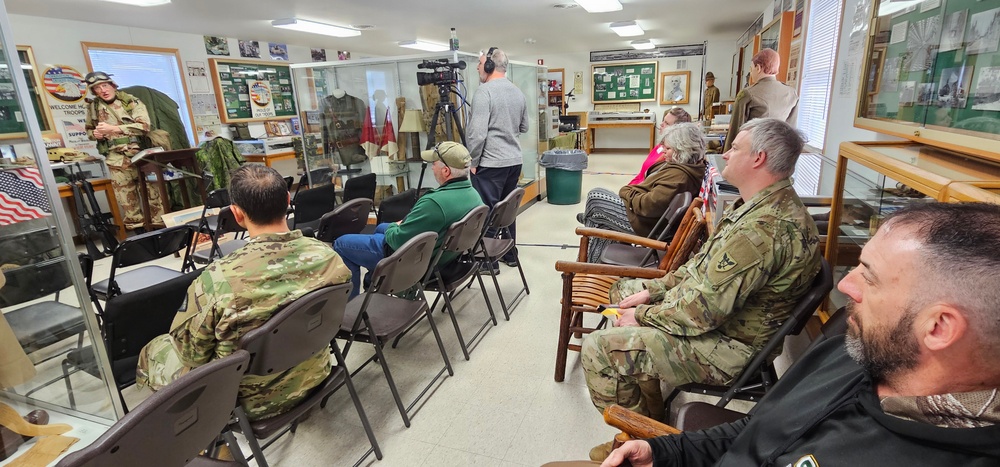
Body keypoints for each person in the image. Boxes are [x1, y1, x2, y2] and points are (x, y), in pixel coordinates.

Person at [602, 202, 1000, 467]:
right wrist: (665, 452)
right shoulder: (853, 349)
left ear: (938, 327)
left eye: (870, 278)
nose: (847, 286)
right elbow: (756, 430)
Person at [582, 118, 820, 461]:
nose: (725, 154)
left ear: (758, 158)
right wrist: (652, 293)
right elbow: (698, 270)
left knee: (597, 349)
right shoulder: (758, 207)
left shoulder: (765, 229)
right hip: (719, 324)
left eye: (735, 147)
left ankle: (637, 436)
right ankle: (650, 416)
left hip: (728, 346)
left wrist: (645, 315)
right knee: (623, 291)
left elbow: (701, 312)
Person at [136, 165, 350, 421]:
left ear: (237, 214)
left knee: (154, 350)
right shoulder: (329, 257)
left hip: (249, 403)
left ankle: (192, 436)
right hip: (316, 375)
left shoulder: (218, 280)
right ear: (288, 200)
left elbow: (192, 354)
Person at [333, 141, 484, 298]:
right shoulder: (473, 195)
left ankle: (354, 303)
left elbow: (397, 240)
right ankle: (374, 282)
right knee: (379, 228)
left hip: (411, 261)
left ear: (446, 171)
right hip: (441, 257)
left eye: (434, 164)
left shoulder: (434, 202)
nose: (432, 168)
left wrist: (394, 226)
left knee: (341, 243)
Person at [578, 123, 706, 260]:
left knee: (595, 198)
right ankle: (590, 259)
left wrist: (628, 193)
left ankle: (586, 256)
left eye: (668, 148)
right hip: (644, 217)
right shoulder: (680, 167)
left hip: (645, 224)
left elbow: (649, 205)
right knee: (600, 222)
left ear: (683, 150)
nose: (663, 151)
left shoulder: (680, 176)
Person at [467, 46, 528, 271]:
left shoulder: (484, 92)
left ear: (490, 66)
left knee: (488, 212)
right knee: (507, 209)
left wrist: (472, 162)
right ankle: (510, 254)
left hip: (491, 164)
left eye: (480, 63)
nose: (477, 67)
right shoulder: (517, 92)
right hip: (514, 162)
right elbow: (524, 126)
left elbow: (476, 134)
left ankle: (487, 261)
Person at [84, 71, 165, 231]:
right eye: (97, 88)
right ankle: (140, 236)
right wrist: (95, 134)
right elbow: (89, 131)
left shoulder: (130, 101)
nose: (103, 90)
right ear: (94, 92)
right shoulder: (93, 108)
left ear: (113, 85)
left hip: (141, 157)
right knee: (128, 202)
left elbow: (144, 126)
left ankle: (161, 232)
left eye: (105, 85)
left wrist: (114, 129)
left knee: (154, 198)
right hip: (116, 160)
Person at [723, 49, 798, 152]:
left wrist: (727, 155)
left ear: (758, 68)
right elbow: (791, 130)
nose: (751, 71)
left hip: (751, 151)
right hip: (776, 153)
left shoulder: (747, 94)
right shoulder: (792, 93)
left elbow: (735, 130)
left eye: (751, 68)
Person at [633, 107, 692, 186]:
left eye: (667, 123)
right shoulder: (660, 146)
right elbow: (642, 173)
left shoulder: (671, 156)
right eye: (663, 121)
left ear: (677, 130)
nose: (661, 124)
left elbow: (648, 184)